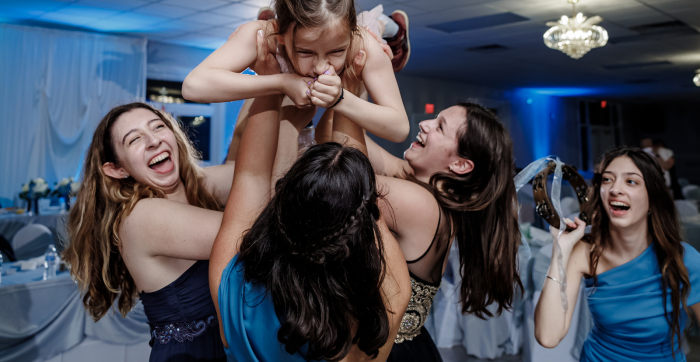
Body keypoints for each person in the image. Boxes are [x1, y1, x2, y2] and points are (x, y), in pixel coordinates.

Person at [208, 62, 411, 360]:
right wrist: (348, 93)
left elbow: (250, 175)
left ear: (283, 202)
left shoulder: (236, 287)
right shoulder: (384, 303)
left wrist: (268, 75)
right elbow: (366, 211)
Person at [318, 100, 524, 361]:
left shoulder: (421, 205)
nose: (424, 124)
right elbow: (328, 137)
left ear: (460, 165)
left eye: (440, 127)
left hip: (385, 353)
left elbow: (344, 176)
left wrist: (347, 91)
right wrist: (353, 82)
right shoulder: (422, 191)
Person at [62, 101, 237, 362]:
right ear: (117, 169)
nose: (153, 140)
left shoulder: (195, 187)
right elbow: (249, 232)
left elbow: (266, 173)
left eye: (158, 127)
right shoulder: (140, 216)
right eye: (134, 139)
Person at [182, 0, 410, 145]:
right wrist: (281, 82)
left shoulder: (360, 43)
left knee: (372, 26)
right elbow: (193, 86)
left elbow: (399, 128)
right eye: (306, 52)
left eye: (335, 52)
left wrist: (341, 99)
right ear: (280, 34)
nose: (321, 67)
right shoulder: (264, 36)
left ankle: (394, 29)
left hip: (362, 36)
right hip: (281, 38)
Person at [534, 147, 700, 361]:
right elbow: (548, 337)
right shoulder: (585, 252)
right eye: (607, 180)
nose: (614, 189)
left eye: (631, 181)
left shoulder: (685, 260)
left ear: (653, 198)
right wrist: (561, 249)